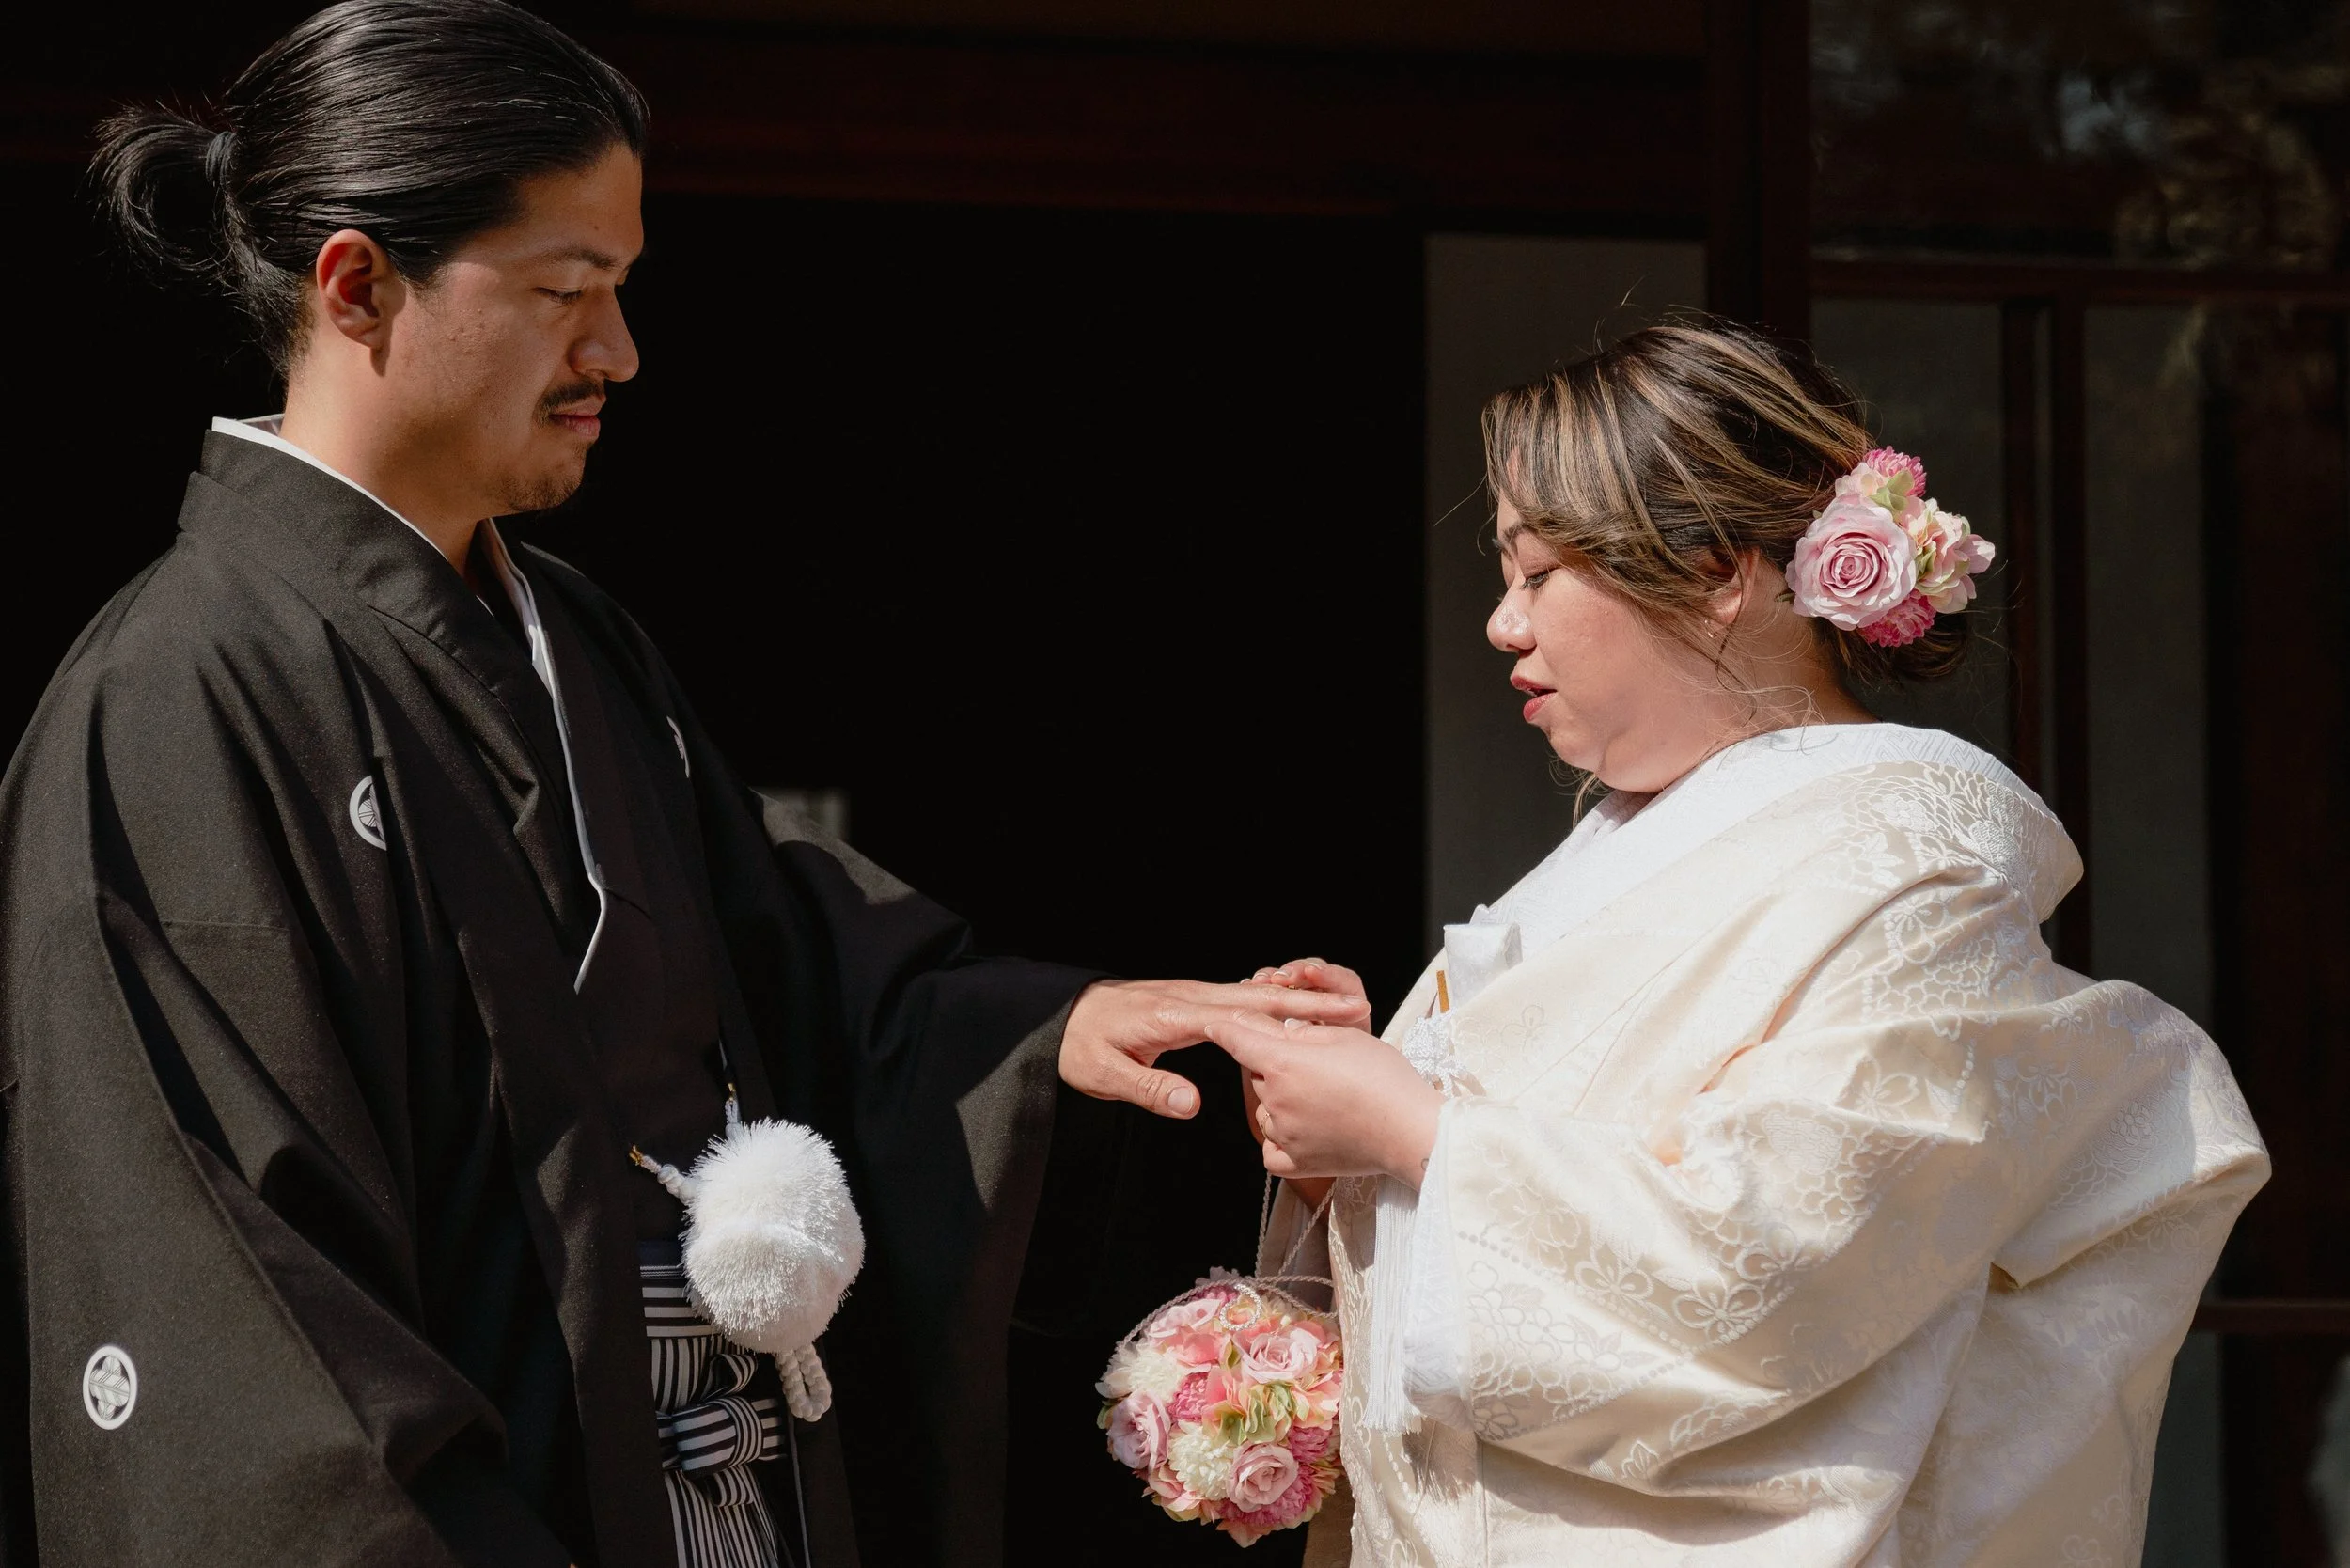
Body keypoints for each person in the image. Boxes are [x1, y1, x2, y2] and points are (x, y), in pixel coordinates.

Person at [0, 5, 1362, 1565]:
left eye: (622, 289)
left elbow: (780, 956)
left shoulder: (576, 640)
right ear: (358, 284)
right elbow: (227, 1290)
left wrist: (1040, 1035)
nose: (618, 353)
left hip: (724, 1488)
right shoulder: (180, 698)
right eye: (564, 291)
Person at [1217, 323, 2268, 1565]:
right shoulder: (1620, 848)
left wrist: (1411, 1130)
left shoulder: (1912, 871)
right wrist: (1340, 1132)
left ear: (1719, 571)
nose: (1502, 624)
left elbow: (1786, 1263)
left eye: (1538, 573)